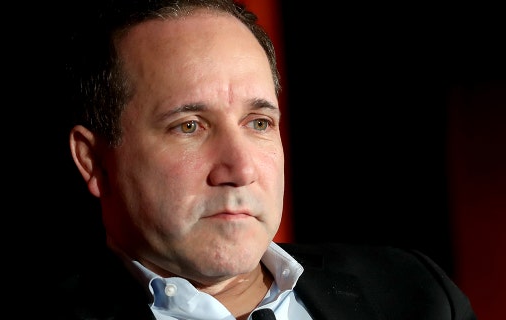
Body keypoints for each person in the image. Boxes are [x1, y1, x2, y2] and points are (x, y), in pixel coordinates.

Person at [53, 0, 476, 319]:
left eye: (258, 123)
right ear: (93, 160)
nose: (241, 170)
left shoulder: (414, 290)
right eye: (189, 126)